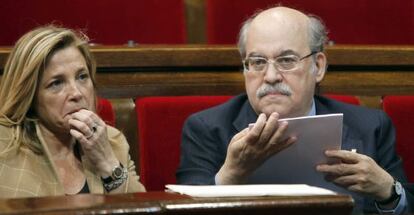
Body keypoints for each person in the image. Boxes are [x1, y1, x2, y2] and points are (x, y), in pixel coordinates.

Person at [176, 6, 413, 214]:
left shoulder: (371, 126)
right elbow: (183, 210)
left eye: (287, 60)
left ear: (318, 67)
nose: (270, 76)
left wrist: (388, 191)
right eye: (257, 62)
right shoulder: (206, 129)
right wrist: (229, 175)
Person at [0, 26, 145, 198]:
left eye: (82, 76)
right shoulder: (4, 141)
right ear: (30, 95)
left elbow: (140, 206)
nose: (76, 93)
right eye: (56, 83)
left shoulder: (112, 143)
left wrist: (107, 163)